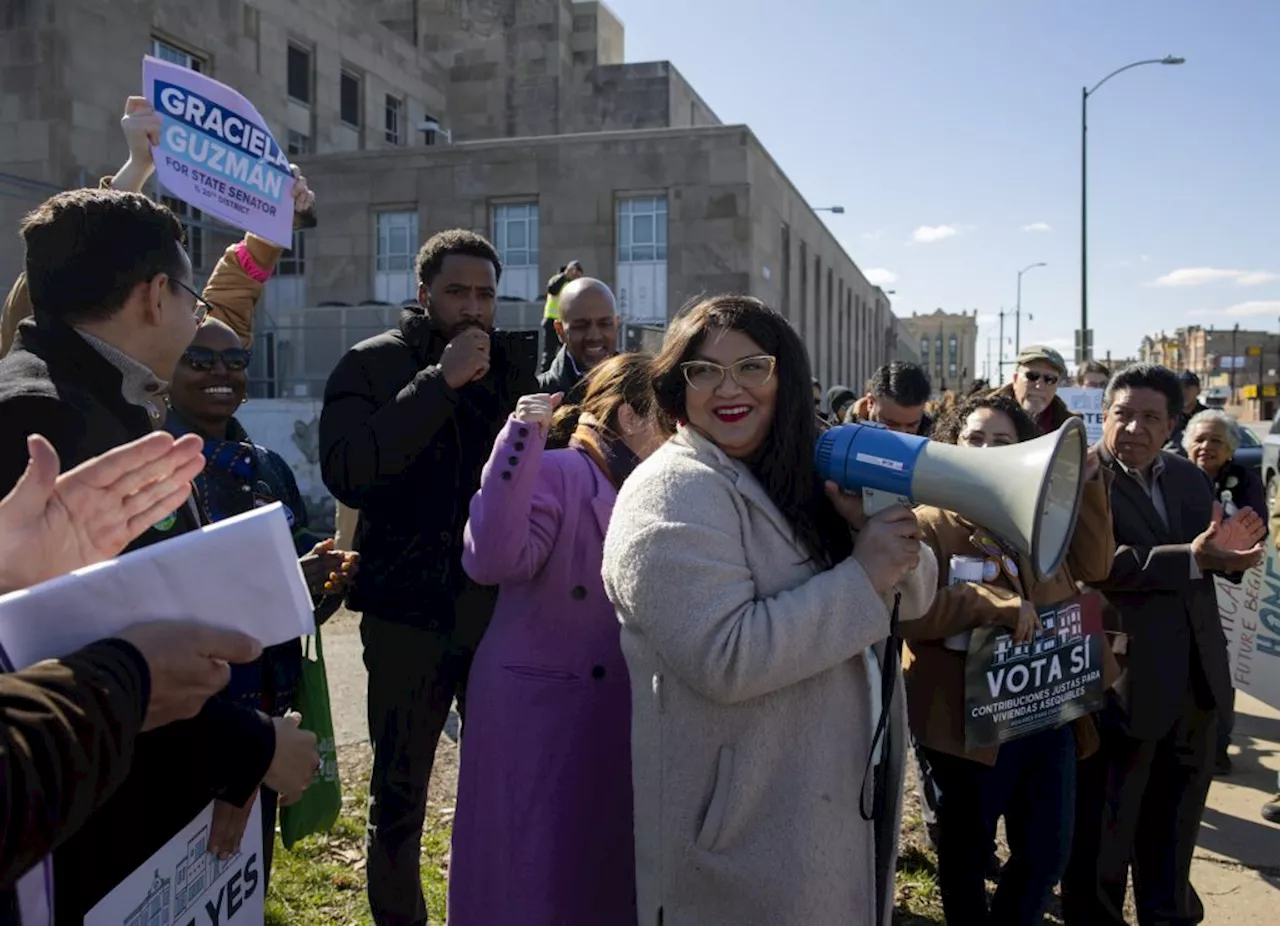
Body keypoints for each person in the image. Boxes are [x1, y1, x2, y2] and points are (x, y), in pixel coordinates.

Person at [0, 187, 319, 919]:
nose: (200, 315)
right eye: (188, 293)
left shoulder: (95, 397)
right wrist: (251, 748)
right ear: (153, 296)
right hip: (83, 825)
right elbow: (89, 646)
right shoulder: (46, 421)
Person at [601, 295, 938, 926]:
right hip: (740, 842)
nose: (729, 389)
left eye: (752, 366)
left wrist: (880, 531)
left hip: (823, 807)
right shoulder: (671, 492)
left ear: (784, 374)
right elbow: (724, 657)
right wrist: (863, 574)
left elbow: (913, 601)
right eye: (705, 371)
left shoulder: (797, 474)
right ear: (679, 384)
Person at [320, 228, 537, 926]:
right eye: (457, 292)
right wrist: (438, 383)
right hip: (402, 616)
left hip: (495, 614)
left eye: (485, 294)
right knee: (400, 796)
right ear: (423, 296)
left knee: (504, 785)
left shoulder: (515, 371)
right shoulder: (370, 365)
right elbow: (350, 470)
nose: (473, 307)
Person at [451, 354, 671, 925]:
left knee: (591, 874)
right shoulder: (561, 471)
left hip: (602, 711)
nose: (676, 439)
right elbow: (490, 558)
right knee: (526, 878)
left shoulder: (644, 491)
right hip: (537, 716)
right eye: (667, 422)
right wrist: (520, 437)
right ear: (628, 416)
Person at [900, 392, 1117, 925]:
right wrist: (989, 604)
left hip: (1043, 710)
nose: (987, 448)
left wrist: (1082, 488)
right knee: (966, 855)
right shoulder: (927, 523)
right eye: (974, 438)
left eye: (1002, 440)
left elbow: (1097, 562)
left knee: (1046, 854)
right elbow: (908, 614)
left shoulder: (1039, 513)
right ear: (952, 443)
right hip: (963, 725)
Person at [1063, 364, 1266, 926]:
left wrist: (1232, 557)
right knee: (1104, 837)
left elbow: (1205, 554)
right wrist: (1195, 558)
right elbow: (1092, 566)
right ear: (1103, 415)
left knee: (1174, 836)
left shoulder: (1185, 477)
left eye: (1150, 417)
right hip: (1118, 685)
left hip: (1196, 683)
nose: (1134, 428)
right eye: (1122, 414)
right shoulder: (1078, 478)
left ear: (1172, 423)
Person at [165, 316, 359, 873]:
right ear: (169, 368)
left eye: (235, 361)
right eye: (199, 360)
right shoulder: (158, 470)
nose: (220, 372)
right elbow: (173, 601)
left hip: (270, 709)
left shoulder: (266, 467)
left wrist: (325, 575)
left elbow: (298, 600)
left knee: (246, 879)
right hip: (193, 719)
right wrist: (289, 575)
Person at [0, 96, 316, 358]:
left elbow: (226, 320)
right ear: (152, 301)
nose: (219, 369)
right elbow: (47, 293)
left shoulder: (172, 370)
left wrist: (269, 225)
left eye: (234, 363)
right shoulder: (64, 386)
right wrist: (138, 166)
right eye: (189, 300)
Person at [1181, 408, 1266, 778]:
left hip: (1231, 588)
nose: (1206, 447)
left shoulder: (1244, 478)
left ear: (1230, 448)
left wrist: (1230, 544)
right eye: (1199, 439)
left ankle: (1217, 748)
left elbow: (1256, 525)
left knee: (1220, 671)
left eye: (1216, 440)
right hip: (1183, 580)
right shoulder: (1172, 473)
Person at [536, 276, 620, 406]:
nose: (594, 336)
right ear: (560, 331)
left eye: (604, 324)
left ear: (616, 325)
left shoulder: (644, 390)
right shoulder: (538, 397)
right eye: (581, 326)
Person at [998, 345, 1074, 434]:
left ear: (1057, 385)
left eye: (1049, 379)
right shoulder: (984, 416)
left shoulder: (1068, 429)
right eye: (1032, 376)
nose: (1039, 386)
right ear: (1015, 379)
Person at [849, 362, 933, 435]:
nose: (901, 433)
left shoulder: (934, 440)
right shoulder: (838, 438)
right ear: (870, 402)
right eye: (891, 423)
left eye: (911, 426)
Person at [541, 260, 584, 372]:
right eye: (574, 273)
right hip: (552, 320)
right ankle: (544, 380)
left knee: (570, 353)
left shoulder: (574, 285)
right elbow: (552, 289)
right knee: (549, 354)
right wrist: (565, 275)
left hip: (566, 323)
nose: (576, 276)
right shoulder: (557, 280)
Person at [1167, 370, 1212, 455]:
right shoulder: (1168, 415)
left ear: (1198, 390)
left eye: (1188, 388)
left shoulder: (1209, 417)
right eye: (1180, 388)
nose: (1183, 392)